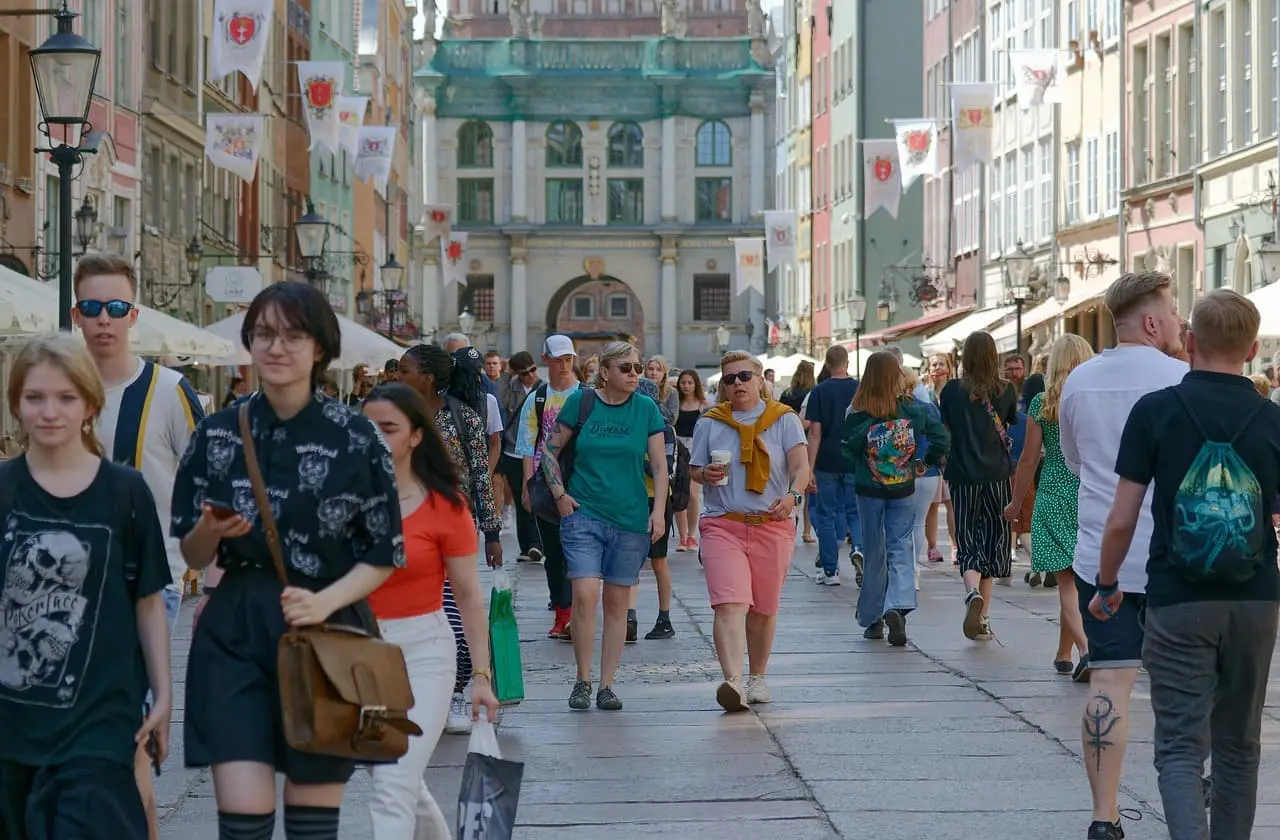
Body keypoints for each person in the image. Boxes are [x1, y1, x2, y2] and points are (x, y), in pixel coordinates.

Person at [172, 281, 403, 840]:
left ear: (319, 347)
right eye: (264, 334)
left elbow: (384, 551)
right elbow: (192, 552)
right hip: (236, 629)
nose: (276, 347)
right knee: (242, 822)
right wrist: (209, 530)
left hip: (327, 626)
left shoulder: (356, 437)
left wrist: (324, 601)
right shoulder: (216, 434)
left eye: (293, 336)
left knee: (311, 826)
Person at [1091, 289, 1279, 840]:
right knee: (1240, 745)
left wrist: (1107, 583)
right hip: (1255, 599)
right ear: (1251, 351)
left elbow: (1121, 519)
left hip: (1178, 597)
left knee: (1179, 746)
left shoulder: (1156, 412)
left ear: (1191, 342)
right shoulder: (1273, 420)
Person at [0, 335, 173, 840]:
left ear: (90, 405)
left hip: (99, 720)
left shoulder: (126, 493)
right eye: (35, 398)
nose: (49, 412)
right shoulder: (4, 490)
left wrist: (164, 695)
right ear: (16, 405)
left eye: (65, 397)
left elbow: (148, 601)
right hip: (11, 724)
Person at [71, 253, 205, 840]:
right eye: (93, 307)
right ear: (76, 314)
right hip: (69, 584)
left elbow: (206, 483)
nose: (104, 318)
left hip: (149, 583)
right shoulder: (60, 386)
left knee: (126, 728)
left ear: (133, 314)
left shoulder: (169, 390)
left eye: (115, 307)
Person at [1058, 271, 1189, 840]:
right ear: (1153, 322)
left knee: (1108, 684)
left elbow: (1073, 463)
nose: (1180, 321)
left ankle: (1103, 815)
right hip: (1172, 557)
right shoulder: (1182, 379)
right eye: (1174, 311)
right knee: (1186, 686)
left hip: (1101, 559)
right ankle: (1193, 789)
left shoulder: (1079, 381)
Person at [362, 383, 499, 839]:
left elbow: (469, 595)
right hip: (359, 657)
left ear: (416, 436)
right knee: (398, 780)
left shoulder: (445, 506)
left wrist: (481, 677)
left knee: (392, 781)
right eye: (366, 428)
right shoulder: (341, 502)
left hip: (424, 652)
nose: (375, 438)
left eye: (388, 428)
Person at [542, 341, 667, 711]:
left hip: (630, 518)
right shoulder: (581, 403)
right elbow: (549, 451)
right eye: (626, 368)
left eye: (638, 368)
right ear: (605, 371)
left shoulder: (646, 408)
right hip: (584, 513)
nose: (634, 374)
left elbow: (660, 466)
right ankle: (582, 679)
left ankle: (606, 685)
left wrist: (659, 511)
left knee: (617, 603)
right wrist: (560, 494)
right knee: (584, 594)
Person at [690, 351, 808, 710]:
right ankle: (733, 682)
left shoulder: (784, 419)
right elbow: (694, 469)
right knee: (730, 603)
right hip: (723, 523)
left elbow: (801, 467)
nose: (737, 383)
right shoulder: (710, 422)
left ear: (760, 381)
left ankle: (757, 676)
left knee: (763, 609)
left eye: (744, 376)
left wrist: (792, 496)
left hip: (771, 523)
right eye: (730, 379)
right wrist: (704, 474)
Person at [398, 343, 502, 735]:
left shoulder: (464, 417)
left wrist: (492, 532)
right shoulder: (395, 417)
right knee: (415, 612)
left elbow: (481, 475)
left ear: (426, 379)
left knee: (455, 610)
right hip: (405, 526)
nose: (397, 376)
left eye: (405, 370)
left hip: (453, 525)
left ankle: (457, 690)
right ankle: (419, 691)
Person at [843, 352, 949, 646]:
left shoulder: (857, 411)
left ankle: (873, 619)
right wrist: (924, 463)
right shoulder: (916, 408)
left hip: (868, 489)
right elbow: (941, 439)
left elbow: (847, 449)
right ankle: (897, 605)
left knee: (873, 550)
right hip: (903, 486)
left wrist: (861, 465)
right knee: (901, 545)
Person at [1005, 335, 1094, 680]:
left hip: (1055, 491)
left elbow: (1029, 459)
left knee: (1067, 581)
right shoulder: (1092, 398)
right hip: (1090, 491)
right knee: (1076, 578)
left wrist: (1016, 502)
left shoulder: (1043, 403)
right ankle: (1063, 652)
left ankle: (1085, 649)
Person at [938, 331, 1018, 642]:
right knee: (994, 540)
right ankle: (983, 617)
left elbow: (947, 430)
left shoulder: (950, 391)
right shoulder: (1006, 389)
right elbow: (1008, 423)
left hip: (962, 474)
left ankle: (972, 592)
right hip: (996, 474)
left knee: (968, 536)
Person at [515, 335, 582, 641]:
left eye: (568, 359)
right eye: (558, 360)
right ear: (546, 360)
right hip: (545, 482)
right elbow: (528, 445)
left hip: (582, 481)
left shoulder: (586, 395)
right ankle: (562, 613)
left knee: (580, 551)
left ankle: (579, 611)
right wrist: (527, 485)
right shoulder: (538, 398)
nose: (565, 365)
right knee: (554, 553)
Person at [806, 344, 862, 585]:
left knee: (826, 515)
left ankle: (830, 571)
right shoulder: (860, 389)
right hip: (854, 459)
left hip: (826, 460)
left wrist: (809, 468)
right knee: (856, 512)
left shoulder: (819, 391)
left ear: (827, 365)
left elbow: (814, 433)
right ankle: (859, 549)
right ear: (847, 363)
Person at [630, 376, 678, 642]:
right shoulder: (628, 424)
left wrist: (637, 456)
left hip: (657, 499)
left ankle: (664, 618)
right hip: (631, 497)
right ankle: (629, 617)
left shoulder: (665, 428)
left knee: (659, 561)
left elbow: (665, 469)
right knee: (630, 559)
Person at [497, 351, 543, 563]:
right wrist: (506, 374)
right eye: (524, 373)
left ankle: (537, 544)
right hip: (513, 451)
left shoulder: (543, 388)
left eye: (533, 370)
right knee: (520, 498)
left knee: (536, 498)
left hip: (536, 452)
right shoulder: (511, 388)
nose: (530, 375)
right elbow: (498, 400)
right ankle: (526, 548)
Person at [673, 368, 711, 552]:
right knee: (680, 493)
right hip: (679, 449)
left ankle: (692, 534)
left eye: (690, 382)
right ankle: (682, 536)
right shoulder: (675, 403)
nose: (686, 386)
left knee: (693, 495)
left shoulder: (704, 405)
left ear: (696, 384)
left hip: (696, 449)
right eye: (683, 382)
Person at [645, 356, 679, 424]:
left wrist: (655, 400)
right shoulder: (637, 389)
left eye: (659, 370)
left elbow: (672, 420)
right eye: (651, 369)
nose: (654, 373)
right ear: (646, 372)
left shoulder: (672, 392)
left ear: (664, 373)